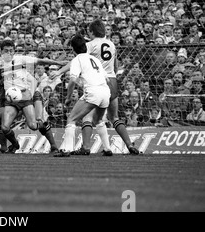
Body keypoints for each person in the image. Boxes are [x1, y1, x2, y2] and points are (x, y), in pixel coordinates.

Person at [52, 19, 140, 155]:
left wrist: (59, 71)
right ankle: (128, 144)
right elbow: (116, 65)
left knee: (86, 116)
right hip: (111, 80)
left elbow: (78, 60)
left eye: (89, 31)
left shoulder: (90, 45)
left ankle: (85, 147)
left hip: (95, 81)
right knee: (114, 117)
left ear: (91, 32)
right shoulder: (111, 44)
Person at [0, 39, 68, 155]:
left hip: (25, 97)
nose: (9, 53)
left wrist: (59, 63)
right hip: (11, 100)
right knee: (4, 127)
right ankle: (15, 145)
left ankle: (53, 145)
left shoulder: (21, 59)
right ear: (1, 52)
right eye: (6, 51)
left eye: (11, 50)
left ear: (14, 51)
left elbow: (41, 61)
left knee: (33, 126)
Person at [57, 35, 112, 157]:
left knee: (71, 119)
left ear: (73, 49)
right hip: (105, 91)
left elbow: (72, 81)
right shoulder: (95, 59)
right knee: (98, 120)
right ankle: (108, 149)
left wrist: (68, 98)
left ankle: (66, 150)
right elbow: (107, 79)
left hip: (93, 92)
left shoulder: (77, 60)